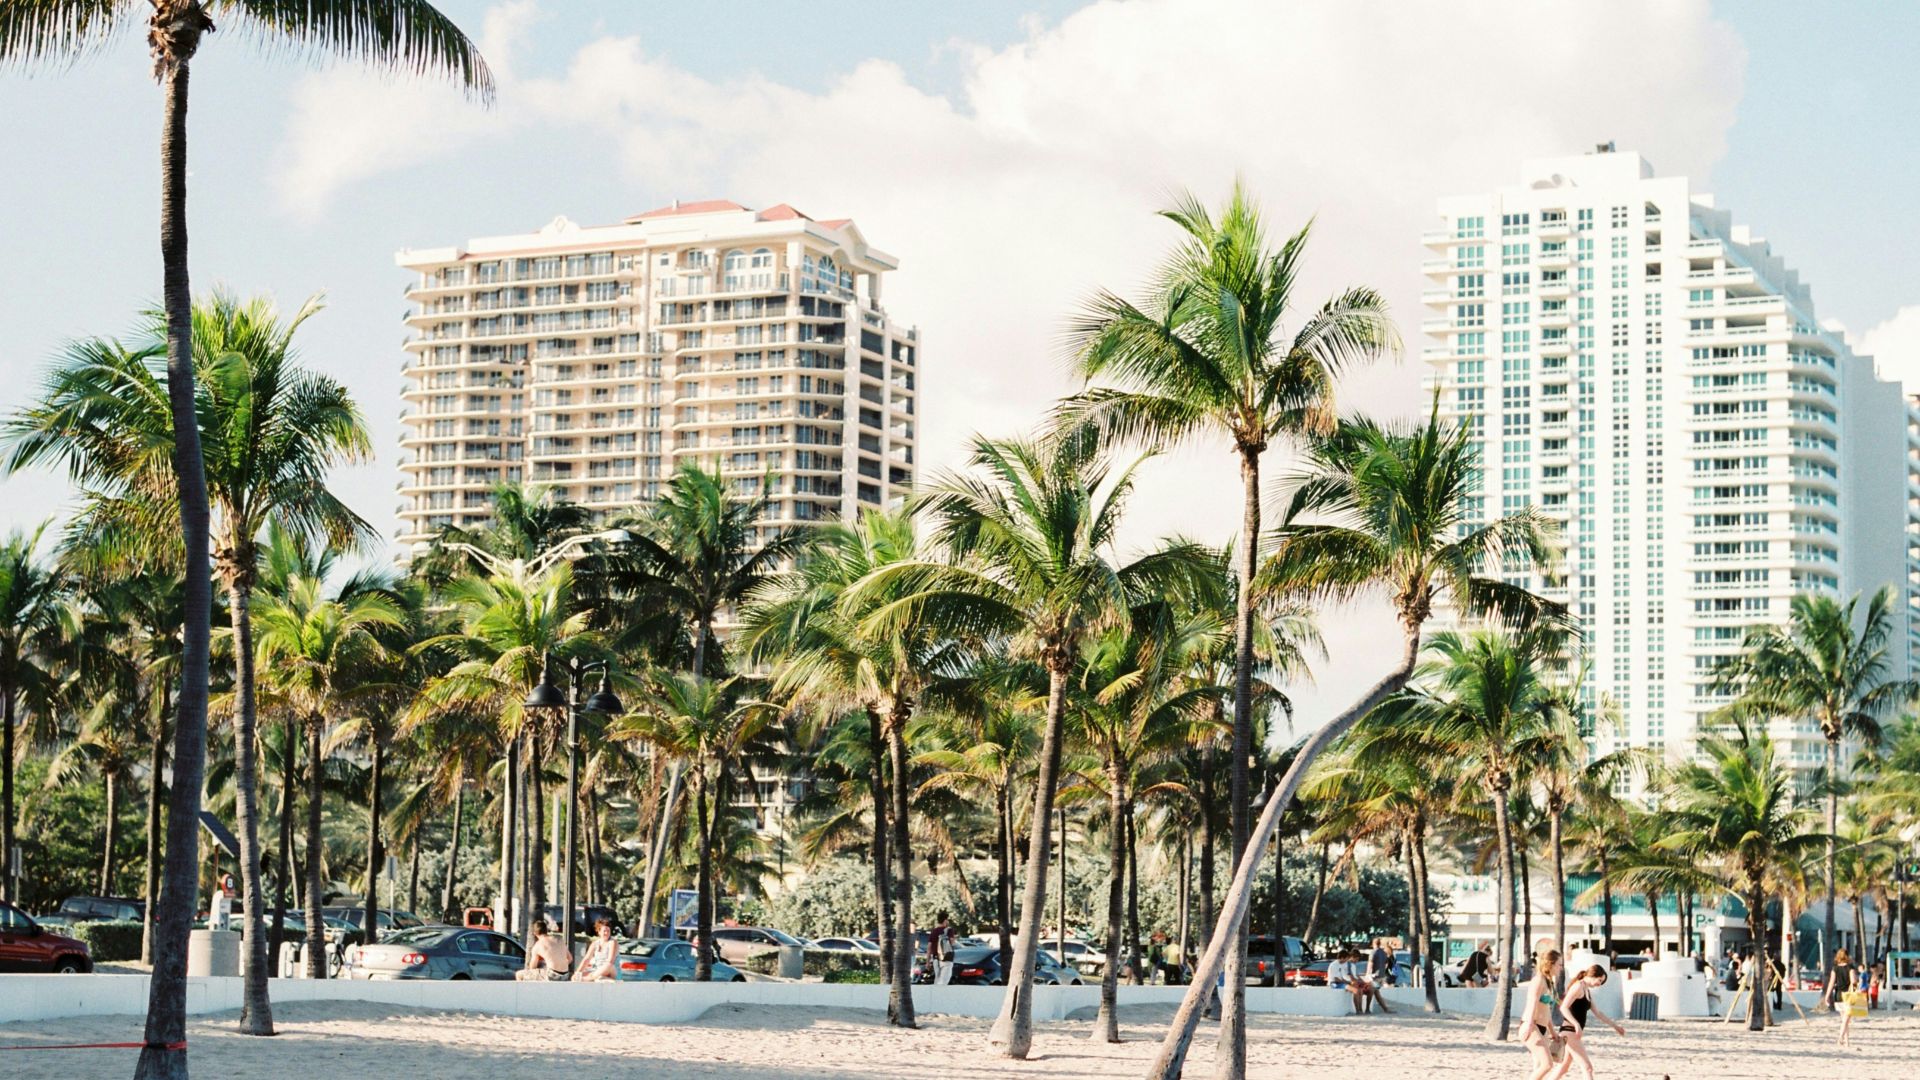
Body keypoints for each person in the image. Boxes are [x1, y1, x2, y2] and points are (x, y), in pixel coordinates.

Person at [1554, 963, 1625, 1080]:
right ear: (1593, 975)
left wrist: (1615, 1026)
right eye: (1600, 980)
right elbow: (1563, 1007)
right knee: (1587, 1068)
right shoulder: (1578, 986)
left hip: (1573, 1033)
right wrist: (1576, 1024)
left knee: (1563, 1069)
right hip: (1569, 1031)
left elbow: (1598, 1013)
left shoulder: (1586, 990)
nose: (1599, 984)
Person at [1520, 949, 1564, 1080]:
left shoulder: (1549, 982)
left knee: (1539, 1066)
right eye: (1559, 964)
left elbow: (1546, 1010)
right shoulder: (1538, 980)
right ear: (1550, 964)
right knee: (1547, 1065)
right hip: (1531, 1026)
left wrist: (1552, 1032)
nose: (1560, 968)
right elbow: (1532, 1003)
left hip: (1542, 1028)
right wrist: (1528, 1025)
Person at [572, 917, 618, 982]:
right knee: (578, 975)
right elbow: (586, 959)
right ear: (599, 931)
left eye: (608, 931)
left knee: (608, 965)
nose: (606, 933)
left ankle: (589, 978)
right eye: (604, 931)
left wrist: (593, 974)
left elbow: (610, 961)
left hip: (611, 970)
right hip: (597, 970)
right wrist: (577, 973)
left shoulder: (612, 942)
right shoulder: (595, 943)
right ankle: (600, 978)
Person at [930, 911, 956, 985]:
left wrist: (928, 961)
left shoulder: (934, 931)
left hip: (936, 959)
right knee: (944, 981)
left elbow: (929, 947)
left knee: (937, 979)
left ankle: (935, 995)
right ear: (945, 920)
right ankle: (939, 995)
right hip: (946, 958)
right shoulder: (949, 930)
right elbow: (952, 942)